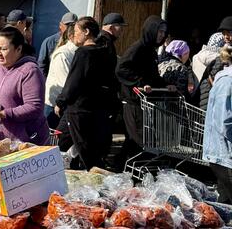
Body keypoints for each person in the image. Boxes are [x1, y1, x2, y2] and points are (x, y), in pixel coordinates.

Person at [55, 17, 117, 169]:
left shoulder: (83, 53)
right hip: (96, 109)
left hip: (79, 108)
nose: (74, 35)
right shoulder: (105, 52)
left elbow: (74, 81)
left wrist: (60, 101)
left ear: (87, 32)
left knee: (83, 151)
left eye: (76, 31)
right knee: (78, 145)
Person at [0, 27, 49, 144]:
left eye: (3, 49)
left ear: (18, 49)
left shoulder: (30, 71)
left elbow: (34, 107)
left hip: (25, 142)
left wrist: (2, 114)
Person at [116, 15, 174, 158]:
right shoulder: (138, 48)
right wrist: (139, 83)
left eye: (163, 32)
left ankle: (121, 166)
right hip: (133, 100)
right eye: (159, 31)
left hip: (142, 101)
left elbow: (152, 76)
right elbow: (121, 69)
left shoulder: (150, 50)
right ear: (151, 30)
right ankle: (132, 170)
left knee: (135, 140)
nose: (161, 35)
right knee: (141, 139)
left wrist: (167, 85)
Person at [202, 45, 232, 202]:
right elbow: (223, 122)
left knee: (225, 204)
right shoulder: (228, 81)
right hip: (224, 154)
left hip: (223, 154)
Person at [44, 22, 77, 126]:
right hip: (56, 106)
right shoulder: (63, 54)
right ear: (71, 36)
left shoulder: (79, 53)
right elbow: (65, 84)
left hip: (67, 104)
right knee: (52, 139)